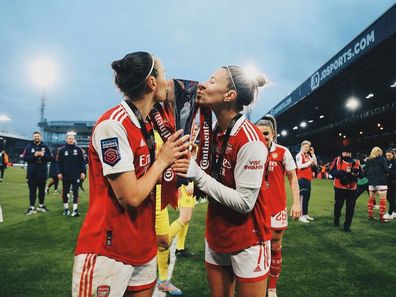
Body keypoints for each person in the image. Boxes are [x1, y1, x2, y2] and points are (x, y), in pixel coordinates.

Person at [71, 51, 189, 297]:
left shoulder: (147, 124)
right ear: (152, 83)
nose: (169, 83)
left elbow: (147, 178)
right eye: (165, 75)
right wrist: (162, 161)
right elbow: (130, 197)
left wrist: (175, 162)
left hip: (142, 246)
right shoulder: (112, 126)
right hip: (108, 249)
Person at [173, 65, 271, 297]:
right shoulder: (213, 131)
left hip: (249, 239)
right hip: (216, 234)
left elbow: (245, 202)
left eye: (212, 81)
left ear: (229, 96)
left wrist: (198, 174)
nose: (204, 85)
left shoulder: (250, 139)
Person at [256, 116, 301, 297]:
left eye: (266, 134)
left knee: (275, 247)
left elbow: (293, 178)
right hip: (255, 208)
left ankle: (272, 287)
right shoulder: (251, 150)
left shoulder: (283, 152)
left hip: (276, 208)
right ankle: (256, 282)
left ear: (273, 134)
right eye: (259, 134)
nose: (263, 137)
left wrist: (296, 203)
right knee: (255, 248)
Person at [329, 146, 363, 232]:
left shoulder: (356, 162)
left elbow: (362, 175)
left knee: (350, 207)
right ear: (342, 153)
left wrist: (356, 172)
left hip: (352, 188)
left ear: (351, 153)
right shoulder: (337, 160)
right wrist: (343, 173)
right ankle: (337, 218)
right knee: (338, 206)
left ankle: (347, 225)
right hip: (339, 187)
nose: (347, 154)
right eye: (345, 152)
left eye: (348, 153)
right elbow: (331, 172)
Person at [22, 131, 52, 214]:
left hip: (42, 173)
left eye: (38, 136)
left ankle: (41, 206)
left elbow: (50, 158)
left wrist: (43, 155)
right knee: (32, 191)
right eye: (35, 136)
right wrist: (34, 155)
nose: (36, 137)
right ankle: (31, 207)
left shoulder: (45, 146)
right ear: (33, 137)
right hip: (32, 173)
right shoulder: (28, 146)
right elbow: (24, 158)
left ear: (40, 137)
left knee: (42, 191)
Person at [57, 133, 86, 217]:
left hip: (76, 175)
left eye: (72, 138)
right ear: (66, 140)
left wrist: (83, 172)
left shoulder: (78, 150)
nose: (71, 140)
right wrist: (59, 172)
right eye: (69, 138)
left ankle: (75, 210)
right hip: (65, 175)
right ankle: (66, 209)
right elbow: (58, 163)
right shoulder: (62, 150)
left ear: (74, 139)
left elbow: (82, 162)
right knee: (65, 192)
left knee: (75, 192)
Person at [365, 146, 389, 222]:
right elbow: (387, 170)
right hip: (381, 182)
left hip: (371, 182)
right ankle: (382, 218)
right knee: (382, 200)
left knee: (371, 199)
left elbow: (366, 171)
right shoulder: (382, 159)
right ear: (380, 152)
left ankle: (370, 216)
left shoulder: (368, 160)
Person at [295, 140, 317, 223]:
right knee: (302, 198)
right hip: (302, 179)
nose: (307, 148)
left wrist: (313, 154)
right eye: (305, 147)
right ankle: (300, 216)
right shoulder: (299, 155)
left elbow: (315, 163)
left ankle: (305, 214)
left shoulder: (307, 155)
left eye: (308, 147)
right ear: (302, 147)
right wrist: (310, 162)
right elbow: (299, 166)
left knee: (307, 198)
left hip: (308, 179)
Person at [384, 149, 396, 220]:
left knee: (392, 198)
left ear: (393, 154)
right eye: (387, 155)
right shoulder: (386, 162)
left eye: (389, 155)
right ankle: (394, 210)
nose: (388, 157)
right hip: (387, 182)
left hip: (394, 182)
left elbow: (393, 172)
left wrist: (389, 173)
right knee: (388, 197)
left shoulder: (395, 162)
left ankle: (390, 213)